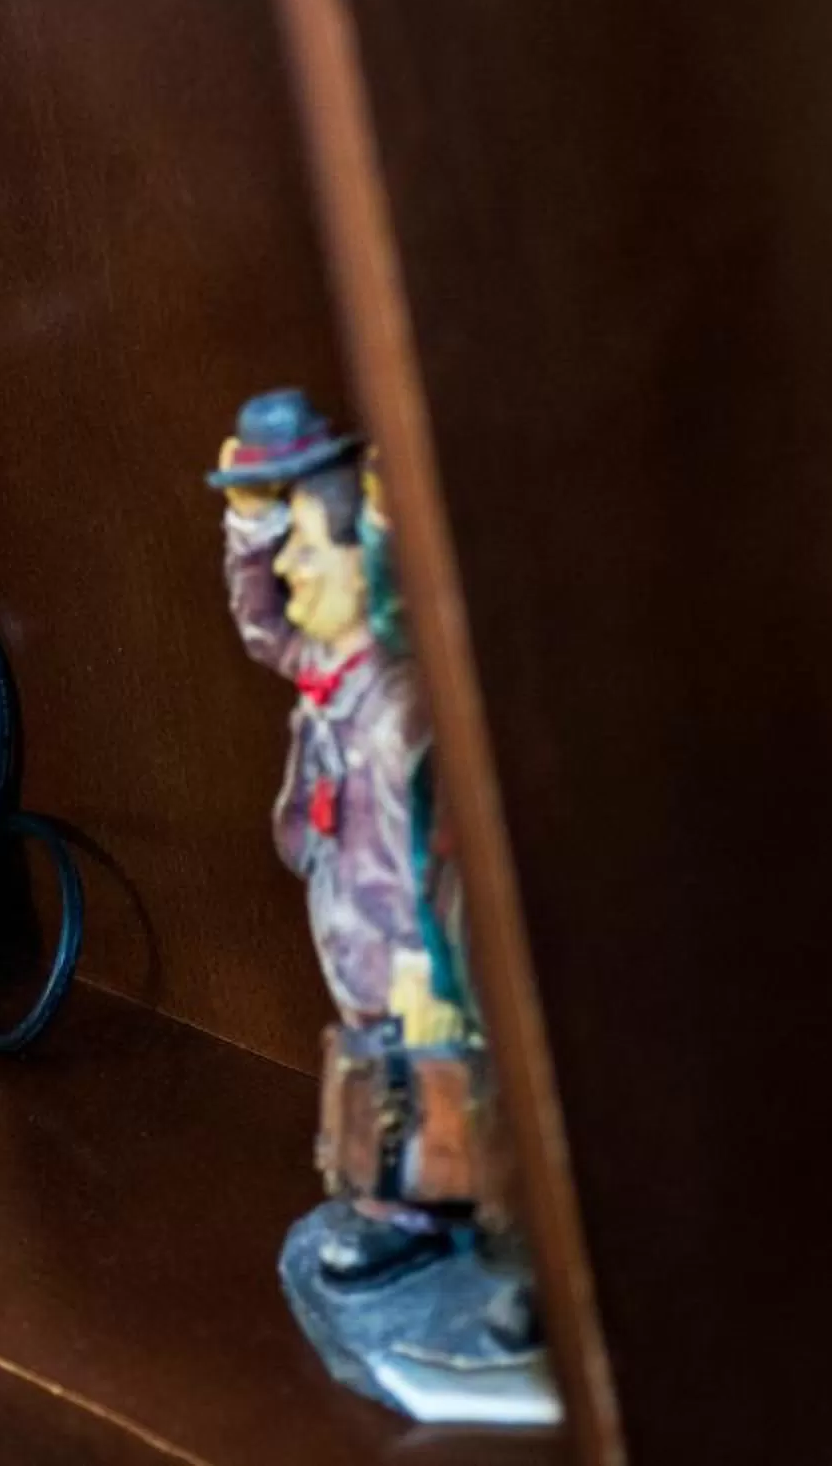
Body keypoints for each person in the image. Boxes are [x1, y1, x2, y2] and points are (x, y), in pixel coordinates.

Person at [213, 389, 555, 1423]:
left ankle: (503, 1262)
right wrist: (253, 516)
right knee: (387, 1096)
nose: (291, 574)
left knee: (460, 1097)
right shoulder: (326, 668)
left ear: (369, 570)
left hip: (419, 958)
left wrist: (449, 969)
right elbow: (260, 616)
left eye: (313, 551)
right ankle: (411, 1219)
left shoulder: (404, 702)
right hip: (361, 952)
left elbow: (458, 844)